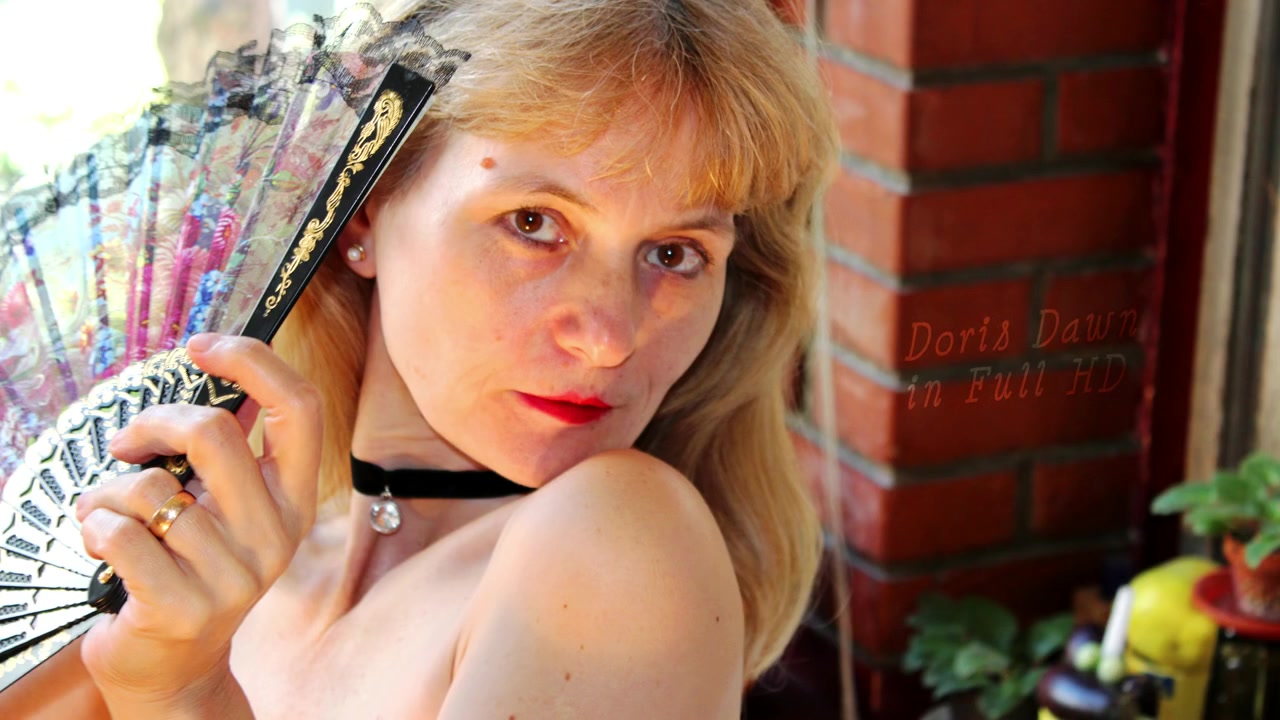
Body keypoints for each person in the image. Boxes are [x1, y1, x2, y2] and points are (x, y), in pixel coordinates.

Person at [0, 0, 837, 717]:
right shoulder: (215, 566)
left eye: (675, 253)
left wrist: (183, 696)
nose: (609, 336)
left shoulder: (618, 541)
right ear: (363, 211)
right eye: (535, 224)